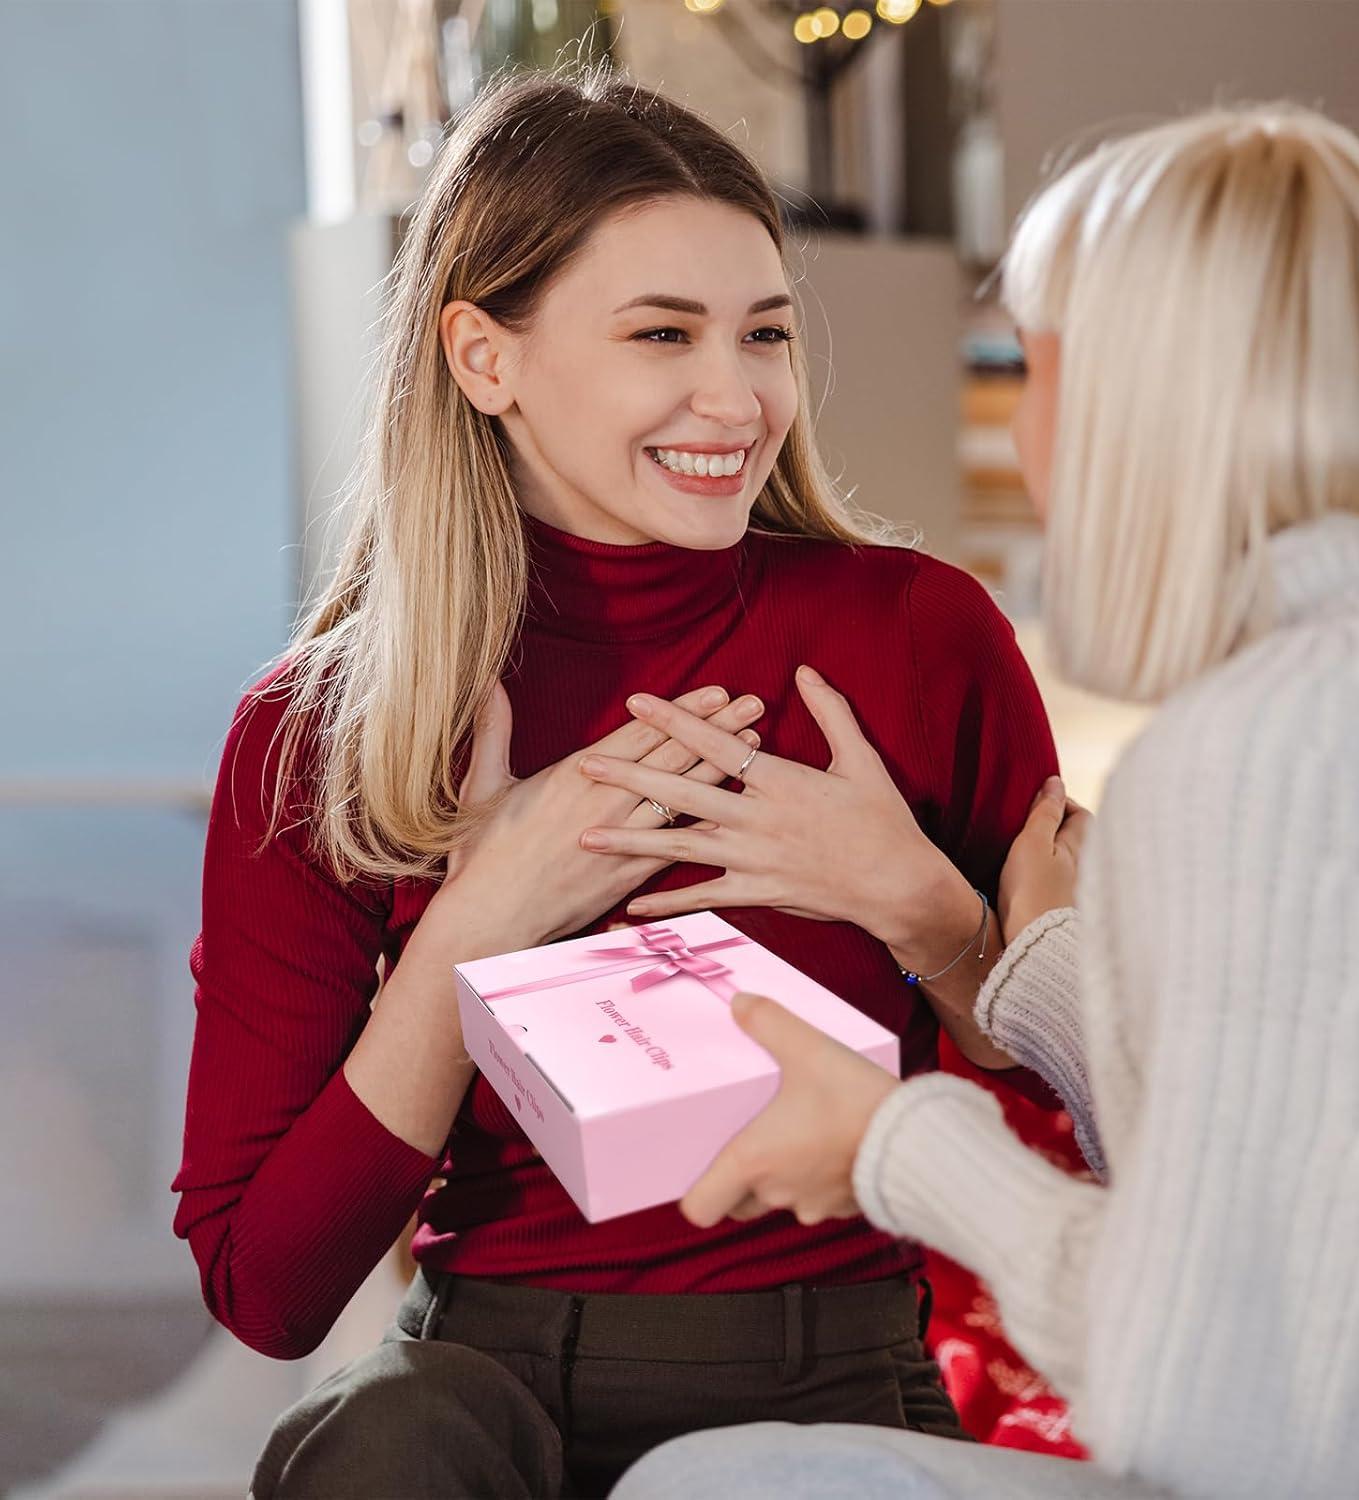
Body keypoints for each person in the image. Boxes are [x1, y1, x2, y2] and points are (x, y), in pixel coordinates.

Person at [170, 66, 1065, 1498]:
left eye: (765, 333)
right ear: (485, 358)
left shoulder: (920, 637)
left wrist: (923, 913)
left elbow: (1086, 1123)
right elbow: (268, 1289)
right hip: (479, 1392)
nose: (739, 397)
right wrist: (473, 932)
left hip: (845, 1373)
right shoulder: (321, 734)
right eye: (663, 333)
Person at [613, 105, 1359, 1499]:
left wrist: (894, 1142)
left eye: (1030, 367)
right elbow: (1316, 1162)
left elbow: (1227, 1409)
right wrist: (1021, 965)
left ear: (1134, 403)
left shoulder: (1257, 751)